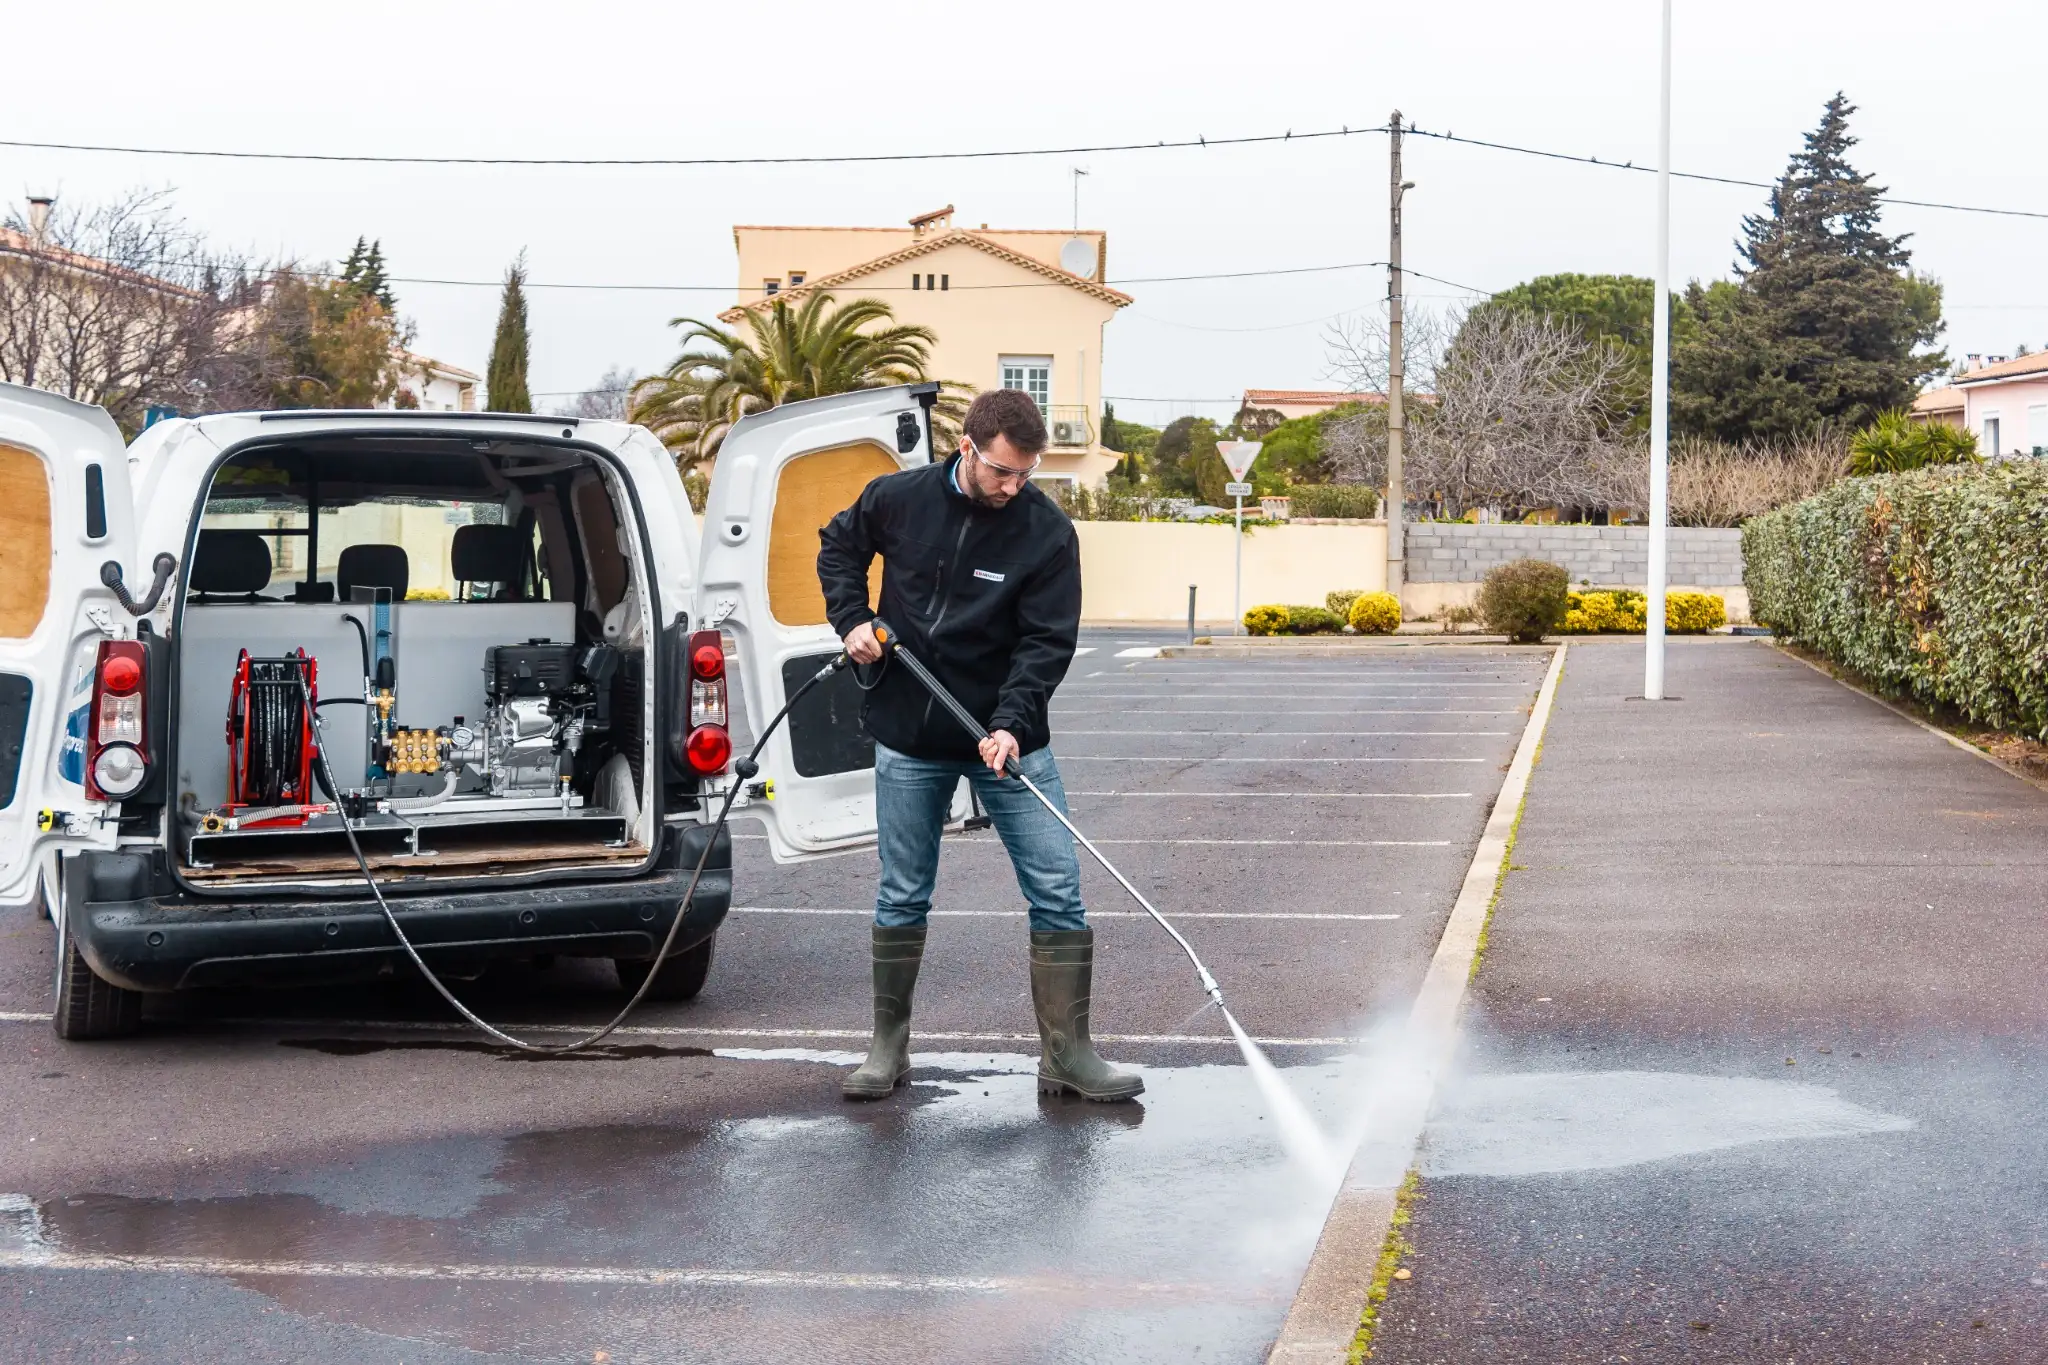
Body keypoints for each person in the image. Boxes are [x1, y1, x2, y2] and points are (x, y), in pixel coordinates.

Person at [816, 387, 1142, 1104]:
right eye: (1002, 472)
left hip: (1004, 737)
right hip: (909, 732)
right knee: (903, 890)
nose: (1013, 486)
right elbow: (838, 547)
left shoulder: (1047, 533)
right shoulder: (897, 499)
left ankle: (1068, 1055)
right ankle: (887, 1050)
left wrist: (1013, 724)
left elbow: (1046, 642)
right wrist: (852, 619)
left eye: (1026, 474)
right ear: (967, 448)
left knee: (1058, 887)